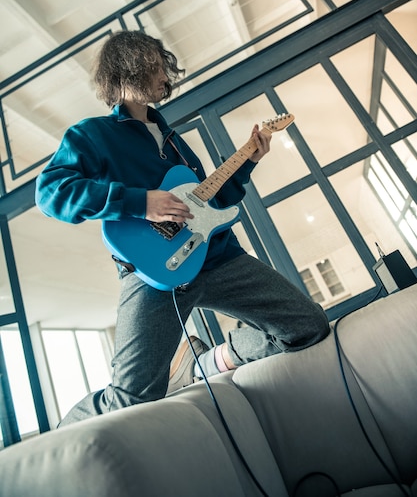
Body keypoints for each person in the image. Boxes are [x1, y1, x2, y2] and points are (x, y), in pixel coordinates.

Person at [35, 30, 330, 426]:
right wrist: (141, 202)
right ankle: (61, 435)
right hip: (154, 274)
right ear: (129, 67)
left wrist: (248, 162)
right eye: (156, 67)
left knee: (307, 326)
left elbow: (211, 204)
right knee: (132, 400)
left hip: (218, 259)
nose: (165, 77)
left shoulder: (171, 139)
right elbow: (51, 192)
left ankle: (212, 360)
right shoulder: (92, 135)